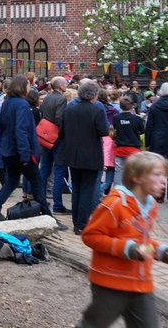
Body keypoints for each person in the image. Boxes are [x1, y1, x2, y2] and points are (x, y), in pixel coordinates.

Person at [76, 151, 168, 328]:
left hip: (141, 283)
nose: (164, 181)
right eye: (157, 175)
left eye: (165, 175)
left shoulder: (151, 205)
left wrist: (161, 251)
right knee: (93, 325)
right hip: (111, 282)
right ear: (137, 177)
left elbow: (141, 240)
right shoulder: (115, 204)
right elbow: (90, 236)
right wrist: (127, 249)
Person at [0, 75, 58, 224]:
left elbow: (2, 126)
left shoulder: (7, 102)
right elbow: (21, 130)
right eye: (28, 85)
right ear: (22, 87)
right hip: (20, 152)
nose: (29, 88)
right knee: (37, 182)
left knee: (11, 182)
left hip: (9, 150)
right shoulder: (22, 104)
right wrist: (25, 154)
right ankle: (47, 215)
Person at [56, 79, 109, 234]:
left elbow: (61, 133)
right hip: (91, 155)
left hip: (72, 154)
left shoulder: (69, 109)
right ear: (94, 95)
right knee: (87, 190)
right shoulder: (97, 110)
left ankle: (76, 221)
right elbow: (103, 131)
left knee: (77, 188)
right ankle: (82, 223)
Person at [112, 96, 144, 190]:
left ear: (120, 106)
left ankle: (117, 191)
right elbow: (142, 131)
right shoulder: (137, 119)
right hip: (134, 149)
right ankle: (131, 190)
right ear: (132, 106)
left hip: (120, 148)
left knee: (118, 171)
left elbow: (114, 129)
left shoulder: (116, 118)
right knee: (133, 171)